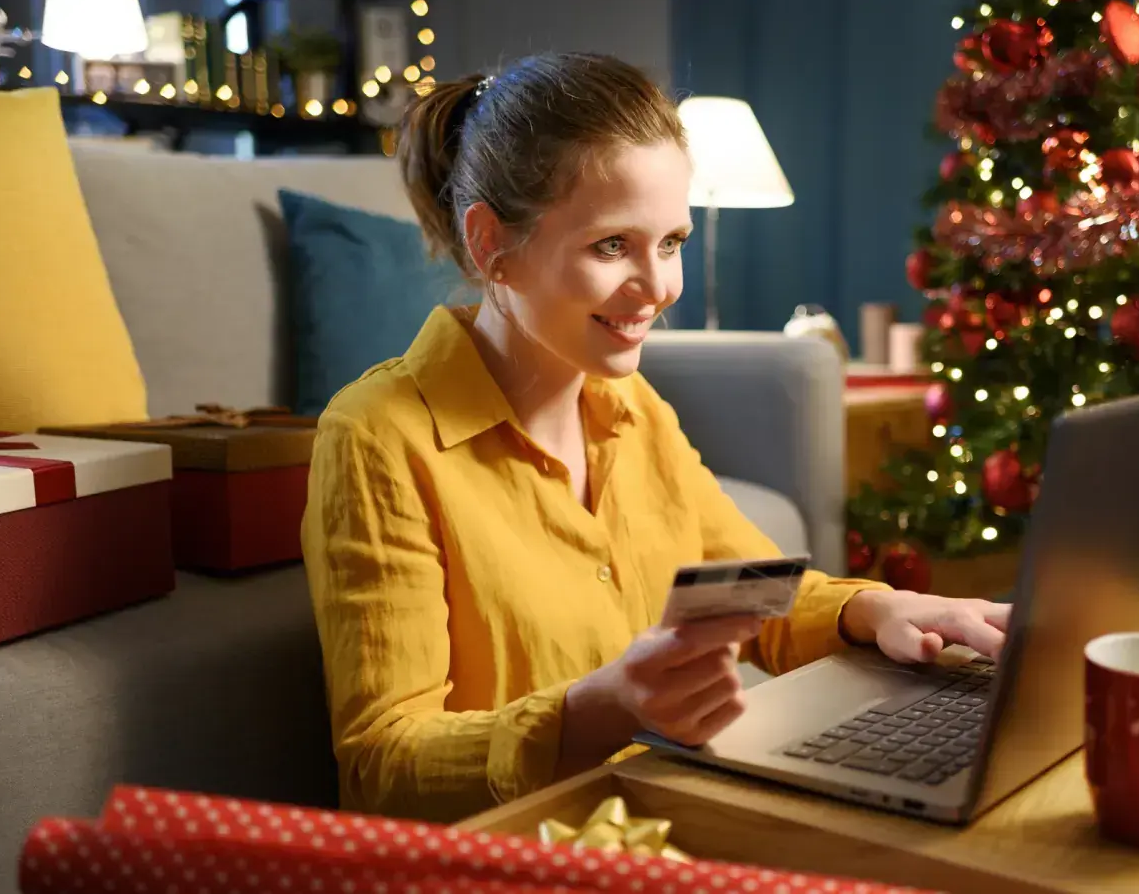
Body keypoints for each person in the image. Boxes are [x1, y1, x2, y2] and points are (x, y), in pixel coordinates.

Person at [300, 52, 1011, 824]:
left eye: (671, 241)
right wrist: (606, 704)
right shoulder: (376, 437)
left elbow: (754, 590)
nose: (660, 286)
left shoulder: (630, 404)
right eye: (613, 246)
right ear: (489, 243)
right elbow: (381, 766)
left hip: (662, 818)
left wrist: (880, 610)